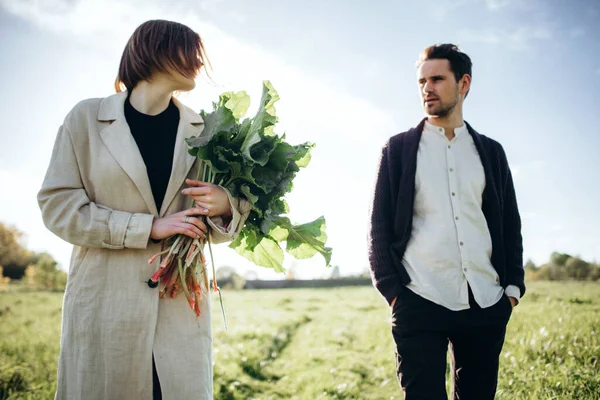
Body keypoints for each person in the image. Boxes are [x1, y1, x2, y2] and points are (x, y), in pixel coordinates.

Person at [37, 19, 251, 400]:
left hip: (178, 306)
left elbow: (220, 224)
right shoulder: (86, 119)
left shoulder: (206, 131)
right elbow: (58, 206)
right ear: (156, 52)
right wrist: (148, 227)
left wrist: (225, 206)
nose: (199, 63)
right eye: (190, 51)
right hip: (106, 303)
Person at [368, 43, 525, 399]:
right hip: (419, 298)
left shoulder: (490, 152)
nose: (427, 88)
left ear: (464, 83)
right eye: (422, 81)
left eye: (437, 79)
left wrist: (512, 291)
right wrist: (394, 294)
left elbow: (509, 225)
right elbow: (377, 227)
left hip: (485, 301)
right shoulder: (397, 150)